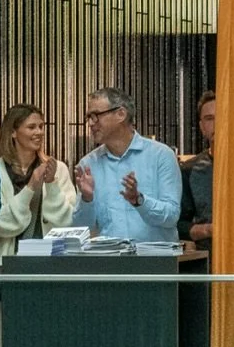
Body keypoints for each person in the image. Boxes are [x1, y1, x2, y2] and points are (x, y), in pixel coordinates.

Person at [71, 87, 180, 243]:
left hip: (154, 261)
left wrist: (139, 200)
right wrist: (87, 199)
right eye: (88, 117)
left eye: (96, 116)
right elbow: (82, 228)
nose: (90, 123)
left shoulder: (161, 156)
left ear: (121, 114)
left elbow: (171, 216)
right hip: (110, 261)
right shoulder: (88, 164)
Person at [0, 105, 76, 254]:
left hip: (49, 263)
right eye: (31, 127)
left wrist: (51, 184)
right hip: (5, 266)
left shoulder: (58, 169)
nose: (39, 132)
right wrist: (31, 187)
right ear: (13, 132)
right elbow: (0, 224)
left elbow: (67, 222)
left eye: (41, 126)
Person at [176, 90, 215, 247]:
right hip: (208, 261)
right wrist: (208, 230)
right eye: (209, 119)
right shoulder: (189, 170)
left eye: (223, 116)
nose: (216, 123)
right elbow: (177, 224)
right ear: (202, 127)